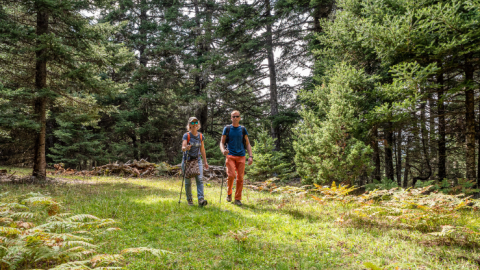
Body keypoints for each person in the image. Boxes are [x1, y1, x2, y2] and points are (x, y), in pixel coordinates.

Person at [219, 110, 253, 206]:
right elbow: (222, 142)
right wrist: (223, 151)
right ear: (231, 118)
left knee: (240, 178)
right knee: (231, 175)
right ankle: (229, 193)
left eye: (237, 116)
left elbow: (247, 143)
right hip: (230, 155)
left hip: (241, 156)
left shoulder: (242, 129)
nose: (235, 118)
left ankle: (237, 199)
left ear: (239, 118)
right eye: (233, 116)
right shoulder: (227, 128)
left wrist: (250, 156)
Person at [182, 116, 209, 206]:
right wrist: (186, 148)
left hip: (197, 160)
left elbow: (202, 150)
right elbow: (183, 148)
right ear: (189, 125)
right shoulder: (187, 135)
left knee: (200, 179)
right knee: (188, 181)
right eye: (192, 123)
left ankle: (201, 200)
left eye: (196, 122)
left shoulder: (201, 136)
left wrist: (205, 162)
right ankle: (189, 200)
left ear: (198, 124)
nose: (194, 124)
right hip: (187, 161)